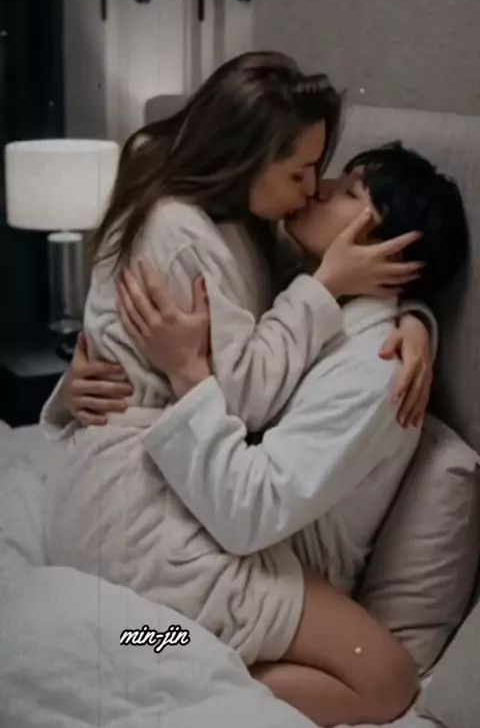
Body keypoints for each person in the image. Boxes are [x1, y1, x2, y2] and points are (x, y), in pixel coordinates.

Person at [42, 55, 433, 721]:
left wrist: (417, 316)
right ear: (249, 157)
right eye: (300, 173)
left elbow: (279, 298)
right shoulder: (181, 231)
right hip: (137, 513)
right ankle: (151, 669)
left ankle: (153, 656)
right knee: (384, 679)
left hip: (116, 495)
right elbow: (241, 400)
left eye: (325, 175)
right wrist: (326, 285)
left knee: (371, 672)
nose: (311, 190)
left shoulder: (234, 218)